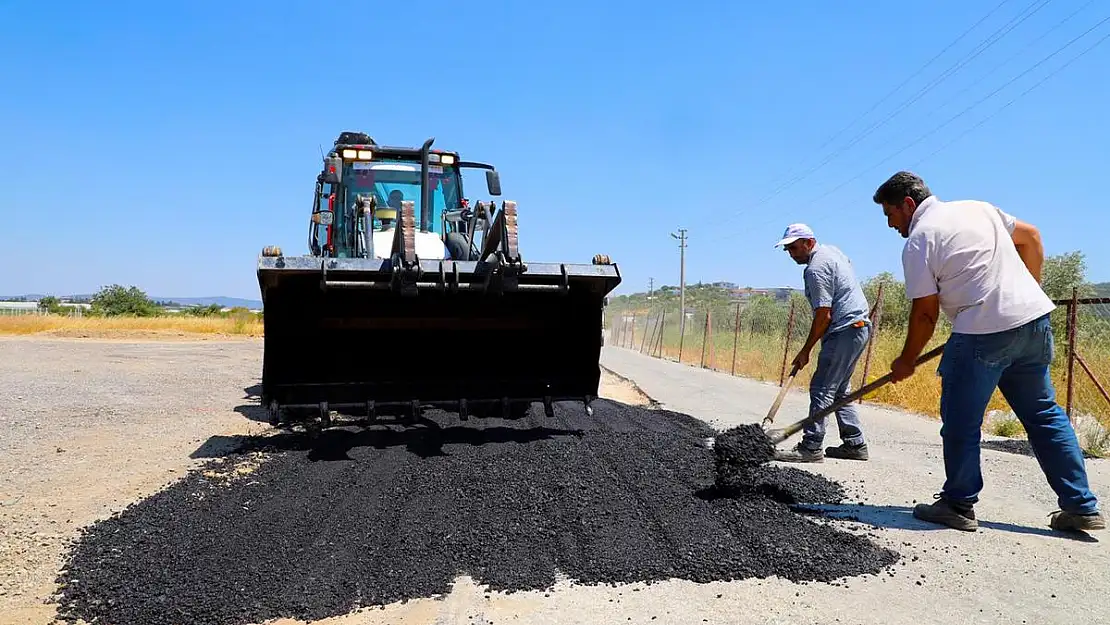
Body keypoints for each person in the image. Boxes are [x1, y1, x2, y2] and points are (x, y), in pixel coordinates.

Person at [873, 170, 1104, 532]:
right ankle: (1081, 506)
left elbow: (925, 312)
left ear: (908, 204)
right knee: (1044, 414)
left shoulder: (920, 240)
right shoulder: (978, 209)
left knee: (962, 421)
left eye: (890, 214)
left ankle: (958, 504)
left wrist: (906, 360)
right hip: (1033, 323)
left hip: (981, 333)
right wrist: (1022, 295)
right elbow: (1031, 238)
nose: (890, 224)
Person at [772, 223, 873, 463]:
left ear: (808, 242)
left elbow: (823, 314)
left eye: (794, 248)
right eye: (787, 250)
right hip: (858, 326)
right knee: (839, 390)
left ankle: (811, 447)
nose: (791, 254)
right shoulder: (832, 252)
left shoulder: (815, 269)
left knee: (822, 388)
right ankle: (855, 444)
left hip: (845, 329)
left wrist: (805, 350)